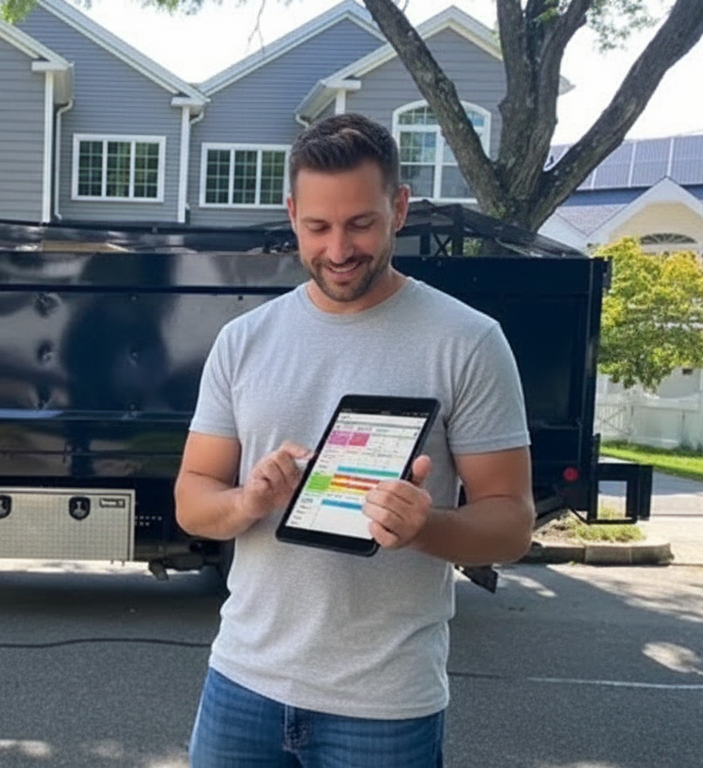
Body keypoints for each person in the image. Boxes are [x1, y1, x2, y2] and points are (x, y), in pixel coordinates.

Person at [175, 112, 535, 767]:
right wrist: (248, 502)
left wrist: (425, 527)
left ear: (398, 207)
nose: (338, 249)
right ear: (291, 214)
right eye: (318, 227)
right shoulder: (244, 341)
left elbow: (511, 523)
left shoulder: (468, 341)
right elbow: (193, 497)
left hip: (384, 705)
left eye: (360, 223)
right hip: (242, 682)